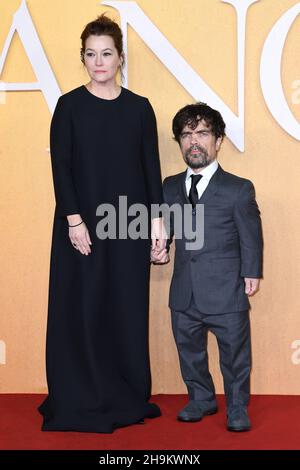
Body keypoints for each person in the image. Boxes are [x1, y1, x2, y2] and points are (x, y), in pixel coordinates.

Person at [38, 14, 166, 433]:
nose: (99, 61)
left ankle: (124, 389)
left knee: (125, 308)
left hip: (128, 228)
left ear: (120, 58)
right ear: (83, 58)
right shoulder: (69, 106)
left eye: (106, 53)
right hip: (83, 229)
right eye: (91, 54)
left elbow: (151, 169)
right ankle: (80, 392)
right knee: (84, 307)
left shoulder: (140, 108)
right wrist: (74, 220)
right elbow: (62, 168)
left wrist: (158, 225)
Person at [152, 102, 263, 432]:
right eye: (186, 135)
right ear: (180, 142)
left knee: (235, 357)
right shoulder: (169, 186)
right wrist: (158, 247)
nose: (194, 141)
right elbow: (164, 228)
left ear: (218, 140)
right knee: (190, 352)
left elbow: (250, 234)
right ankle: (200, 398)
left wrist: (251, 271)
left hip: (226, 289)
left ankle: (237, 408)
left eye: (202, 133)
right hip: (184, 290)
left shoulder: (238, 188)